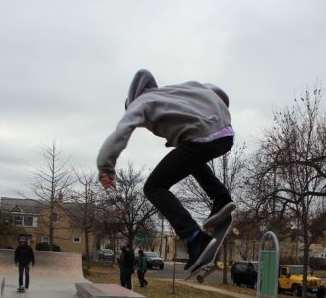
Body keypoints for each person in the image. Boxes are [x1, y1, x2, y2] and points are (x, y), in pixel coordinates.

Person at [97, 69, 235, 274]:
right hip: (224, 134)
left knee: (153, 187)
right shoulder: (174, 91)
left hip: (201, 138)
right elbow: (216, 92)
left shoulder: (139, 104)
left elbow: (122, 131)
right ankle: (221, 198)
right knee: (189, 156)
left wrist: (105, 166)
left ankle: (195, 238)